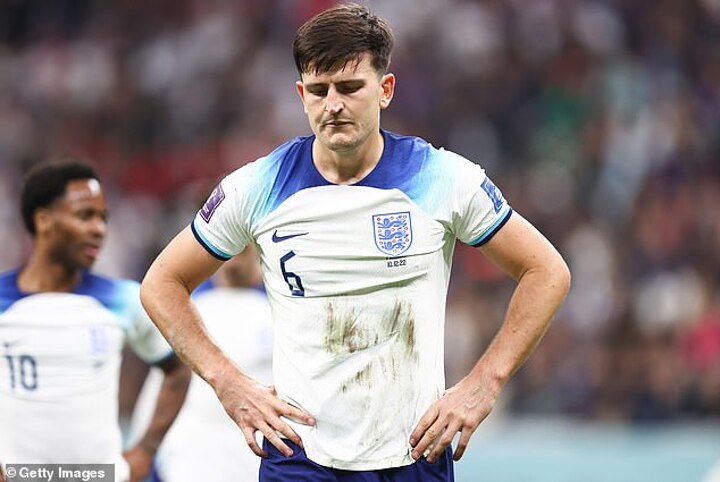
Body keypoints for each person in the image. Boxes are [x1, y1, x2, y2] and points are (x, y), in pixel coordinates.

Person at [140, 3, 571, 481]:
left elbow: (546, 271)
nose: (333, 105)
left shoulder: (442, 178)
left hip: (414, 452)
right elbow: (161, 283)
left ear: (385, 89)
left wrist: (484, 384)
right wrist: (227, 382)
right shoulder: (258, 187)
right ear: (301, 95)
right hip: (299, 456)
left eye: (349, 88)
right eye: (319, 91)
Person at [0, 158, 190, 482]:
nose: (99, 229)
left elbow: (178, 369)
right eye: (84, 215)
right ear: (43, 220)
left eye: (103, 218)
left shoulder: (125, 300)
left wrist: (145, 450)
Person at [130, 243, 272, 482]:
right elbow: (162, 383)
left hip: (256, 457)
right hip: (190, 459)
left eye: (242, 251)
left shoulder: (282, 311)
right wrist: (145, 451)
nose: (233, 260)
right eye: (228, 249)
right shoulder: (185, 308)